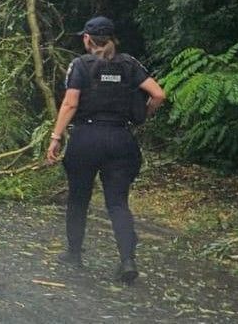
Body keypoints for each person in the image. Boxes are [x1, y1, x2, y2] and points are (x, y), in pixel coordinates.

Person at [46, 16, 165, 283]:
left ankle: (74, 254)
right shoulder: (129, 64)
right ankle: (127, 260)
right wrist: (144, 114)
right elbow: (158, 94)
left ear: (87, 39)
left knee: (78, 198)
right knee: (117, 202)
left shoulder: (80, 65)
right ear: (112, 39)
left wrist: (56, 137)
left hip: (86, 138)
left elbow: (70, 104)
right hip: (121, 138)